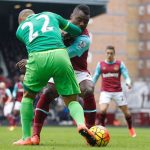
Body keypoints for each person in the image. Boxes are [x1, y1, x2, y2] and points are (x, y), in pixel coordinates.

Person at [16, 5, 96, 145]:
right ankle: (38, 135)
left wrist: (30, 62)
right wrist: (63, 33)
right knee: (52, 93)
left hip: (77, 70)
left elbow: (64, 50)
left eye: (86, 21)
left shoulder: (85, 38)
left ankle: (90, 128)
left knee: (88, 89)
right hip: (62, 62)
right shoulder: (53, 18)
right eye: (79, 20)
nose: (82, 24)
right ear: (71, 17)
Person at [92, 45, 136, 137]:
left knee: (127, 113)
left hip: (117, 92)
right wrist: (91, 86)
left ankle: (131, 128)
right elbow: (95, 76)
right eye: (108, 53)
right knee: (103, 110)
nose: (109, 55)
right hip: (105, 91)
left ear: (114, 54)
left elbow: (126, 75)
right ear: (106, 53)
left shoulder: (120, 64)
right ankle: (103, 130)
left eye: (111, 53)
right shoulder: (101, 64)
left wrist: (128, 82)